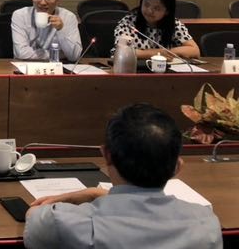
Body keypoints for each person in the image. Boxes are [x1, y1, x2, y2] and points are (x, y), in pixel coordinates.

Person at [24, 103, 222, 249]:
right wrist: (96, 193)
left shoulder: (64, 224)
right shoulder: (206, 224)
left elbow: (34, 215)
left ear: (106, 155)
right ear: (177, 168)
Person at [113, 0, 200, 60]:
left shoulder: (174, 24)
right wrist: (157, 53)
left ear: (167, 11)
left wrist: (167, 52)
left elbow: (195, 51)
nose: (150, 11)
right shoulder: (129, 22)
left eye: (157, 8)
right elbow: (122, 52)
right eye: (146, 5)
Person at [11, 0, 82, 61]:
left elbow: (74, 56)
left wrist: (61, 29)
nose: (43, 2)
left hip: (57, 67)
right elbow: (21, 53)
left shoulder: (68, 17)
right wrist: (58, 54)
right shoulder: (20, 15)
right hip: (24, 66)